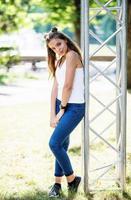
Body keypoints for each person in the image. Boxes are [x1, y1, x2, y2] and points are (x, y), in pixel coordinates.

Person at [44, 27, 85, 198]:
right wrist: (52, 114)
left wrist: (61, 111)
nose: (57, 49)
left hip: (74, 107)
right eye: (53, 48)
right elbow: (56, 87)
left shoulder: (72, 56)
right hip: (61, 105)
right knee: (61, 146)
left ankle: (72, 179)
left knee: (54, 143)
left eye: (59, 44)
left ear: (66, 40)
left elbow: (68, 86)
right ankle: (57, 184)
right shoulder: (60, 60)